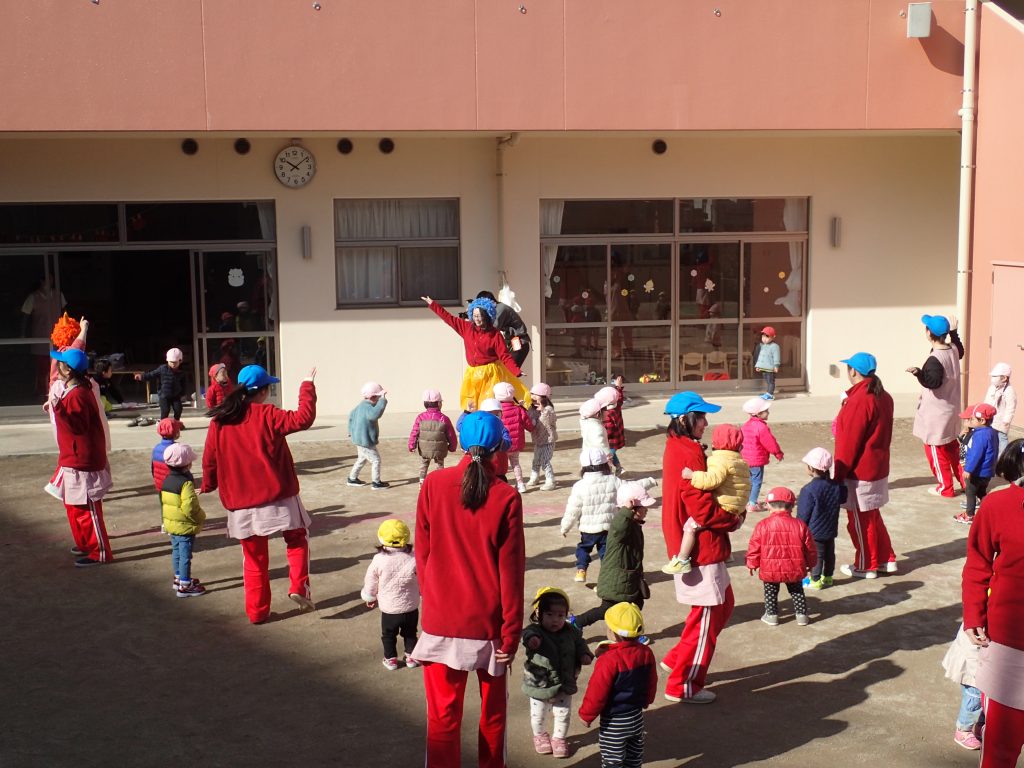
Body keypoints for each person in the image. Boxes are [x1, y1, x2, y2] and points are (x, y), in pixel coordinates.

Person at [412, 411, 525, 768]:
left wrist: (434, 597)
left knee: (442, 719)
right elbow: (511, 573)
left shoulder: (433, 484)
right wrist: (511, 634)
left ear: (460, 443)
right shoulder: (507, 497)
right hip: (488, 625)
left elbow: (422, 553)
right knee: (494, 716)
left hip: (441, 619)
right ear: (499, 450)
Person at [201, 364, 317, 624]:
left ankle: (257, 611)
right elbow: (304, 418)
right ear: (263, 391)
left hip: (240, 500)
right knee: (297, 538)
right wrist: (307, 385)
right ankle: (299, 585)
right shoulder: (267, 413)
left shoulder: (220, 421)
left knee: (254, 559)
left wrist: (208, 484)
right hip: (278, 494)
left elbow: (210, 458)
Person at [660, 391, 744, 705]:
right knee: (706, 618)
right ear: (685, 419)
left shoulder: (680, 446)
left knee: (722, 606)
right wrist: (732, 519)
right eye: (701, 417)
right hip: (701, 548)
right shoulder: (688, 452)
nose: (705, 423)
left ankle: (677, 659)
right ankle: (683, 683)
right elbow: (701, 508)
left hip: (701, 544)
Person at [962, 439, 1024, 767]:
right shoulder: (999, 505)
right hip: (1009, 644)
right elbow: (978, 562)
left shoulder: (998, 504)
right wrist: (973, 614)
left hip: (1009, 640)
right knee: (1000, 744)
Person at [834, 352, 898, 579]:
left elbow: (848, 442)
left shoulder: (860, 400)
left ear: (853, 371)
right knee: (872, 515)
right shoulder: (883, 396)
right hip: (877, 465)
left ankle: (866, 564)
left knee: (859, 520)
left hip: (860, 469)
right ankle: (886, 558)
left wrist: (838, 474)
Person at [47, 348, 113, 567]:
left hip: (83, 460)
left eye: (60, 364)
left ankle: (99, 552)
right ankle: (85, 544)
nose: (56, 367)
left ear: (68, 370)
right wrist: (57, 407)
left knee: (87, 509)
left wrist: (59, 409)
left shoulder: (78, 394)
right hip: (74, 457)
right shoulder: (75, 390)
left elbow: (78, 426)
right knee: (74, 505)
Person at [578, 603, 658, 768]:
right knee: (634, 757)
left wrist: (587, 715)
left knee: (612, 760)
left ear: (613, 633)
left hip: (614, 721)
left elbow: (597, 691)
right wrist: (648, 700)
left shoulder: (609, 660)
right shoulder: (646, 652)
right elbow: (652, 680)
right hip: (636, 717)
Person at [663, 423, 749, 575]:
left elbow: (711, 480)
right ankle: (727, 553)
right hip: (736, 505)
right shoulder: (740, 461)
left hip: (725, 506)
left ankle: (682, 559)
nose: (705, 423)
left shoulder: (719, 460)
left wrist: (692, 475)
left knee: (690, 527)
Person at [561, 449, 657, 584]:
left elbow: (572, 510)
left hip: (588, 529)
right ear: (605, 464)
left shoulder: (579, 486)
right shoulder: (614, 481)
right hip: (609, 528)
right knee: (607, 554)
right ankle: (607, 577)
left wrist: (565, 527)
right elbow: (633, 487)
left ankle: (581, 569)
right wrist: (650, 481)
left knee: (583, 548)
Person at [572, 481, 656, 634]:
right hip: (616, 581)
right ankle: (578, 622)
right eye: (644, 506)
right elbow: (618, 528)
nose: (647, 509)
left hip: (627, 578)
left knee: (635, 604)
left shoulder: (634, 525)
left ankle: (629, 630)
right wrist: (625, 511)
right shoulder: (621, 527)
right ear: (634, 509)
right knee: (609, 609)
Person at [421, 294, 529, 411]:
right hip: (472, 374)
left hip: (490, 374)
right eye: (475, 315)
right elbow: (448, 318)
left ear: (487, 315)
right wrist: (433, 304)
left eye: (480, 316)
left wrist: (516, 371)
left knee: (488, 405)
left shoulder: (495, 334)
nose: (477, 319)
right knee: (471, 405)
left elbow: (504, 355)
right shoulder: (466, 327)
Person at [521, 587, 593, 758]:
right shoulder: (535, 631)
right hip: (539, 684)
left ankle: (559, 738)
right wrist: (531, 640)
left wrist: (584, 654)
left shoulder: (571, 631)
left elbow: (580, 643)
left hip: (564, 682)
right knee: (538, 715)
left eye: (560, 615)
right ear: (539, 614)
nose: (555, 620)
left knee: (563, 713)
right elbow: (526, 634)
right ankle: (540, 736)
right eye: (550, 614)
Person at [908, 313, 965, 498]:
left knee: (935, 450)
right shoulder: (952, 349)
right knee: (952, 448)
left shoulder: (935, 359)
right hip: (952, 410)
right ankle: (966, 482)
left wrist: (919, 373)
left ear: (928, 333)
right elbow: (960, 350)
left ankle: (945, 487)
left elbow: (933, 382)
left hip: (937, 415)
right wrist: (954, 333)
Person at [746, 486, 816, 626]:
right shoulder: (800, 525)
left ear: (768, 506)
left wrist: (752, 563)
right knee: (797, 591)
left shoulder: (762, 525)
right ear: (792, 506)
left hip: (770, 568)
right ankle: (802, 615)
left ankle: (772, 615)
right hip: (794, 567)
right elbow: (810, 548)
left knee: (771, 592)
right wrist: (811, 563)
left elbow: (754, 547)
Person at [361, 519, 420, 671]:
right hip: (410, 606)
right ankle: (411, 656)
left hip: (390, 608)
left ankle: (391, 659)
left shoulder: (379, 559)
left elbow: (371, 580)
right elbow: (422, 577)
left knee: (388, 634)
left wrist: (370, 596)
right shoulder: (414, 557)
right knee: (410, 633)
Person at [160, 443, 207, 597]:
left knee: (176, 552)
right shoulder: (186, 483)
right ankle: (185, 586)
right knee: (186, 555)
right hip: (184, 526)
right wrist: (201, 516)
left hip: (172, 524)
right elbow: (190, 507)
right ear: (188, 464)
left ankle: (178, 578)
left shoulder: (167, 480)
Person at [797, 447, 847, 590]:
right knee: (829, 553)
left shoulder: (808, 489)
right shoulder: (836, 486)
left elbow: (803, 513)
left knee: (817, 555)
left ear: (811, 468)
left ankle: (815, 580)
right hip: (830, 526)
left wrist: (799, 528)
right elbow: (843, 498)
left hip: (815, 530)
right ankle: (828, 577)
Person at [941, 622, 984, 751]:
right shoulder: (976, 621)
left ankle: (981, 726)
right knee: (974, 695)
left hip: (988, 659)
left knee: (989, 694)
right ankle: (963, 730)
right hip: (974, 659)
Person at [22, 274, 66, 395]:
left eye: (51, 279)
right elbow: (25, 316)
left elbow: (64, 313)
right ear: (41, 281)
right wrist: (23, 334)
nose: (50, 282)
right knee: (42, 369)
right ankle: (42, 393)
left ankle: (56, 393)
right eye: (48, 279)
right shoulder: (33, 297)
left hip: (57, 338)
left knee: (58, 368)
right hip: (40, 338)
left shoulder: (58, 294)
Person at [956, 403, 999, 525]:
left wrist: (968, 469)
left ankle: (969, 515)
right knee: (981, 492)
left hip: (977, 472)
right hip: (987, 471)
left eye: (973, 419)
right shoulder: (992, 432)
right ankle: (990, 511)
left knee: (970, 493)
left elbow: (976, 454)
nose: (970, 421)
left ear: (982, 420)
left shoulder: (980, 435)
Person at [740, 396, 784, 512]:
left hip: (745, 459)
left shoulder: (745, 426)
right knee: (756, 481)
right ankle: (752, 504)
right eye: (766, 411)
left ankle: (748, 501)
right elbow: (770, 442)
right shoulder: (761, 427)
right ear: (759, 414)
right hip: (756, 460)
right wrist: (778, 453)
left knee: (749, 481)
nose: (768, 412)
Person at [408, 389, 457, 485]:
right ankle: (440, 483)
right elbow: (451, 435)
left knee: (424, 465)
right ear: (439, 403)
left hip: (424, 449)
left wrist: (411, 445)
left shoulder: (420, 417)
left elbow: (414, 432)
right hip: (440, 450)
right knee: (440, 465)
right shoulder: (444, 418)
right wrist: (452, 447)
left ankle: (422, 483)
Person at [474, 289, 531, 369]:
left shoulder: (500, 309)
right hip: (513, 342)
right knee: (506, 371)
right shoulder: (496, 309)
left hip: (519, 342)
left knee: (509, 371)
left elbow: (492, 329)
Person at [347, 381, 389, 490]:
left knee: (362, 459)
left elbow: (351, 416)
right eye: (378, 397)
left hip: (359, 440)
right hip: (365, 441)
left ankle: (352, 478)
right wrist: (383, 401)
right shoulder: (368, 408)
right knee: (376, 460)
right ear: (373, 397)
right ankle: (376, 482)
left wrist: (350, 431)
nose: (379, 399)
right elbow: (374, 415)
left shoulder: (360, 406)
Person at [494, 382, 533, 492]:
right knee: (515, 464)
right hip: (515, 444)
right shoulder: (518, 409)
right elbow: (528, 425)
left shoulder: (496, 411)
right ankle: (520, 484)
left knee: (500, 466)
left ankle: (500, 485)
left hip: (502, 444)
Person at [135, 348, 188, 421]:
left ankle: (176, 422)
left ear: (180, 361)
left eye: (175, 362)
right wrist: (142, 377)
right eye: (171, 362)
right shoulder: (162, 369)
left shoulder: (182, 372)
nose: (173, 364)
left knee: (178, 409)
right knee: (165, 410)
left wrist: (183, 393)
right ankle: (163, 423)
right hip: (164, 396)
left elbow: (184, 384)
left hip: (176, 395)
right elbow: (152, 374)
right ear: (167, 360)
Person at [526, 382, 557, 491]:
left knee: (545, 460)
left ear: (544, 397)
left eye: (536, 394)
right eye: (532, 394)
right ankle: (534, 477)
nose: (533, 397)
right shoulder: (532, 408)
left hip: (548, 440)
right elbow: (528, 419)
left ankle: (550, 480)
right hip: (537, 440)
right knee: (536, 460)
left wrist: (542, 410)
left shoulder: (549, 409)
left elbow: (549, 420)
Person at [984, 363, 1016, 457]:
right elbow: (986, 401)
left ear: (1004, 378)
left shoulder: (1009, 391)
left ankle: (1002, 458)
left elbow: (1011, 407)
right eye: (992, 376)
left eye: (995, 376)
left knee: (1002, 439)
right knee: (991, 439)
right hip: (990, 419)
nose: (992, 378)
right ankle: (992, 457)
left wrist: (1007, 420)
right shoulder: (992, 388)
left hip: (1001, 422)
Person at [597, 382, 627, 475]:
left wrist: (601, 435)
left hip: (610, 440)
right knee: (612, 454)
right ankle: (619, 468)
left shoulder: (606, 413)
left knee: (608, 457)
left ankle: (608, 473)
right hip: (617, 439)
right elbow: (620, 399)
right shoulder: (616, 406)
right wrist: (619, 388)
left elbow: (608, 430)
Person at [752, 326, 781, 399]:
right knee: (767, 381)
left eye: (767, 337)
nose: (764, 338)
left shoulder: (774, 346)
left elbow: (776, 357)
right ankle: (768, 393)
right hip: (764, 368)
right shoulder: (763, 346)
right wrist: (758, 366)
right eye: (763, 336)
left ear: (773, 337)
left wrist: (776, 366)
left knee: (770, 381)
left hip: (770, 368)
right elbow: (760, 357)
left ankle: (770, 395)